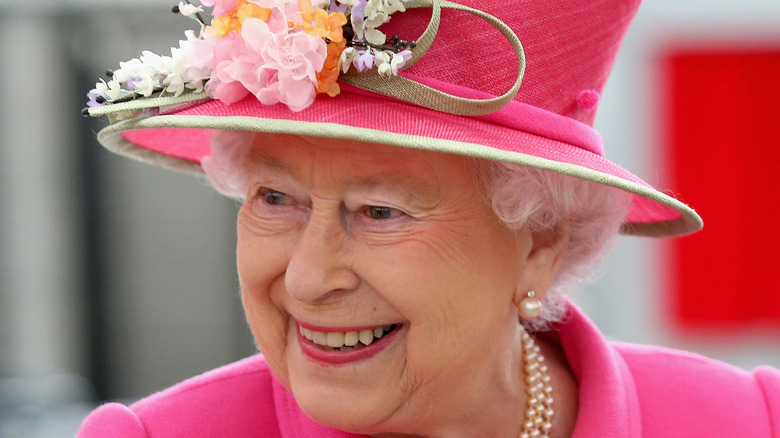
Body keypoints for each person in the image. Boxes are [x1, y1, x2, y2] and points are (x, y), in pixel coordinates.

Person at [77, 0, 780, 437]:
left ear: (539, 242)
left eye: (379, 210)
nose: (309, 277)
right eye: (275, 199)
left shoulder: (750, 422)